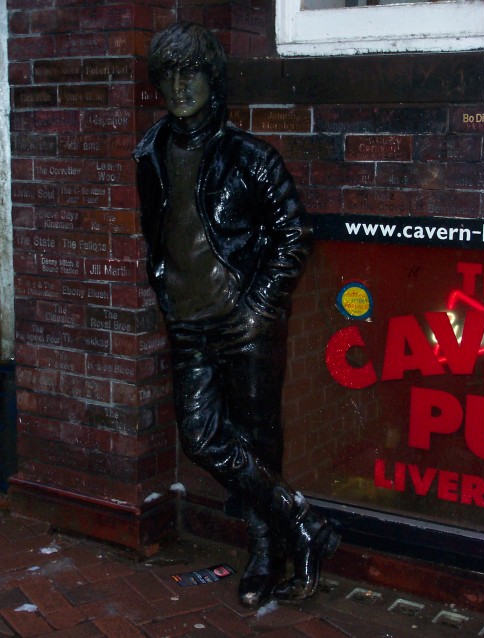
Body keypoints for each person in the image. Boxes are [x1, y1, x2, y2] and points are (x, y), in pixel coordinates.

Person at [134, 21, 340, 607]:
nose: (179, 86)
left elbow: (291, 235)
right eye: (168, 75)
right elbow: (159, 233)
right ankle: (301, 522)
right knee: (200, 437)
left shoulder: (250, 156)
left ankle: (268, 553)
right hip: (189, 322)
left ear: (213, 79)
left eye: (191, 71)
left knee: (258, 441)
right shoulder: (149, 152)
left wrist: (258, 307)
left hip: (244, 323)